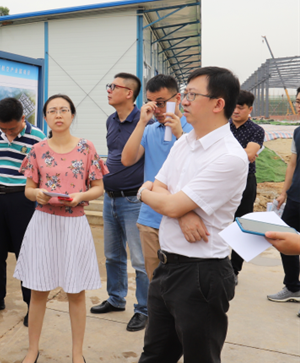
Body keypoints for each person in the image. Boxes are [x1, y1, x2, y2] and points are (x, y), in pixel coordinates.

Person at [137, 66, 246, 363]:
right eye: (185, 93)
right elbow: (161, 186)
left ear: (218, 103)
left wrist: (145, 193)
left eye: (192, 94)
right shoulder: (185, 141)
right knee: (154, 355)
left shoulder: (230, 156)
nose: (183, 100)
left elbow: (163, 198)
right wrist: (180, 211)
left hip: (202, 274)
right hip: (167, 265)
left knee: (201, 358)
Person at [14, 94, 107, 363]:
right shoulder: (38, 149)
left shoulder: (87, 147)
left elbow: (99, 187)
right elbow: (28, 189)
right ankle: (33, 350)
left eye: (64, 110)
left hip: (75, 223)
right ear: (45, 118)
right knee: (37, 290)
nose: (58, 115)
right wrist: (38, 194)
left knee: (76, 293)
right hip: (44, 222)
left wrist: (82, 196)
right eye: (52, 110)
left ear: (72, 115)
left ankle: (77, 353)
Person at [0, 97, 46, 326]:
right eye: (3, 128)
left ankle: (30, 306)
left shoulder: (37, 137)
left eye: (12, 128)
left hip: (22, 199)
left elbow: (45, 171)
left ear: (23, 119)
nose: (8, 132)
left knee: (24, 254)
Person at [90, 73, 149, 332]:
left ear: (129, 93)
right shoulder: (111, 120)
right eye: (109, 86)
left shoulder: (145, 121)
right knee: (113, 255)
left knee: (139, 259)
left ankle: (144, 309)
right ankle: (116, 299)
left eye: (114, 86)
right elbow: (114, 156)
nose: (109, 90)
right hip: (110, 198)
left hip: (134, 199)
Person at [121, 74, 193, 281]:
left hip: (182, 216)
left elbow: (198, 163)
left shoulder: (192, 128)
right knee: (155, 280)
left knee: (181, 282)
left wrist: (180, 134)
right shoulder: (150, 129)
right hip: (150, 217)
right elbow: (127, 159)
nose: (158, 110)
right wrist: (142, 123)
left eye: (161, 103)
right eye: (152, 104)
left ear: (177, 98)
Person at [267, 86, 300, 307]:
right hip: (296, 197)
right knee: (283, 241)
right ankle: (292, 286)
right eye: (298, 101)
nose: (299, 106)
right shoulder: (298, 131)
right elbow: (292, 163)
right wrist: (283, 193)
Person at [228, 90, 265, 284]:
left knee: (242, 224)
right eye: (233, 106)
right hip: (223, 180)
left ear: (250, 109)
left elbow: (250, 155)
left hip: (245, 180)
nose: (236, 110)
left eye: (240, 107)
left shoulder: (256, 130)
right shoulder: (223, 127)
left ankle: (234, 269)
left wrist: (223, 155)